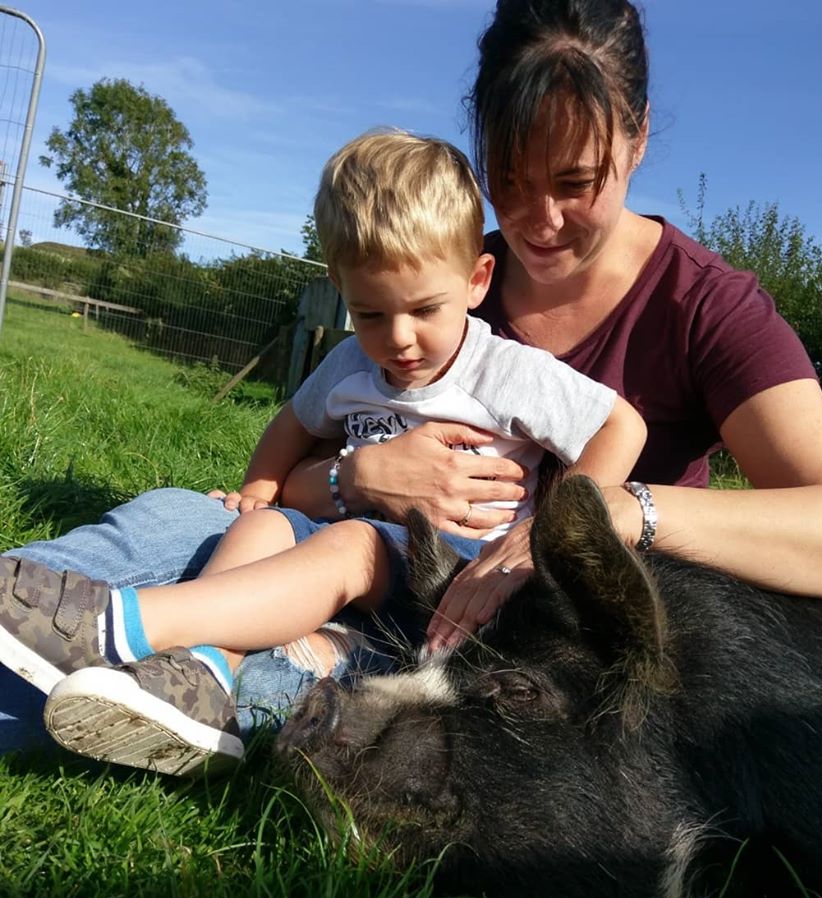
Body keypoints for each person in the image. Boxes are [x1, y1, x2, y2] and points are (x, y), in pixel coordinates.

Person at [3, 0, 822, 755]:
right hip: (350, 548)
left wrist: (615, 511)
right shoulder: (434, 278)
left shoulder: (706, 308)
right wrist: (355, 476)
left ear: (638, 135)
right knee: (177, 520)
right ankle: (94, 632)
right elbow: (303, 456)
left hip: (506, 628)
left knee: (345, 636)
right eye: (509, 179)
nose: (538, 221)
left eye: (576, 181)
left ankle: (203, 679)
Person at [0, 129, 646, 774]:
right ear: (339, 286)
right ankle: (204, 675)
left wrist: (539, 538)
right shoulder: (345, 363)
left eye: (424, 308)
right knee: (261, 527)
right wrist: (260, 486)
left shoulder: (504, 370)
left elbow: (620, 427)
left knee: (353, 546)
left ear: (477, 279)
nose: (398, 338)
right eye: (369, 314)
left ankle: (116, 624)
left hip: (457, 576)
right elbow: (292, 422)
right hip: (343, 544)